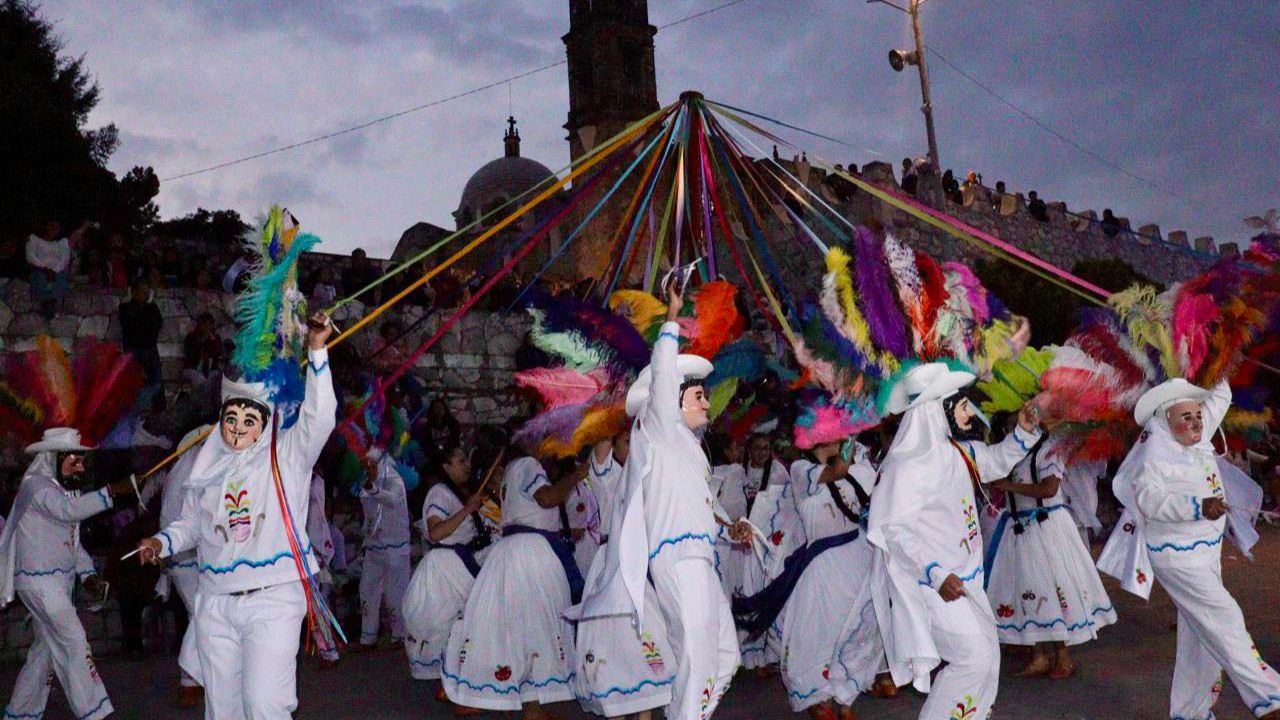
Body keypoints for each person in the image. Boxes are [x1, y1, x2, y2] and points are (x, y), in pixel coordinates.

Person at [135, 312, 336, 720]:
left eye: (249, 419)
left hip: (273, 599)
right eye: (231, 418)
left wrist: (316, 350)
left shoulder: (287, 455)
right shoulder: (207, 464)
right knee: (223, 711)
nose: (239, 426)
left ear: (264, 420)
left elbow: (319, 419)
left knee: (265, 705)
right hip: (216, 602)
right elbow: (193, 522)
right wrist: (162, 542)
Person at [572, 285, 747, 720]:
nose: (707, 401)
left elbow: (699, 500)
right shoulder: (658, 429)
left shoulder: (686, 449)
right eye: (698, 395)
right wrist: (670, 318)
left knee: (725, 657)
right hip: (679, 559)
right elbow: (665, 379)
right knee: (696, 658)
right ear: (670, 402)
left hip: (701, 559)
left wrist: (729, 525)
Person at [867, 362, 1043, 719]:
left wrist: (1023, 433)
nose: (969, 412)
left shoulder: (959, 452)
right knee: (972, 658)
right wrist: (935, 574)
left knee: (987, 659)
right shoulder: (909, 465)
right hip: (932, 585)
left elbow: (995, 462)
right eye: (962, 405)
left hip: (965, 579)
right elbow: (893, 531)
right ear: (938, 411)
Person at [1113, 379, 1280, 720]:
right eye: (1185, 417)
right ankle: (1270, 699)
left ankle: (1191, 712)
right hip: (1177, 558)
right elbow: (1149, 499)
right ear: (1165, 420)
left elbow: (1221, 395)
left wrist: (1210, 358)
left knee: (1198, 635)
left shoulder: (1199, 435)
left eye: (1197, 415)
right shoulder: (1155, 454)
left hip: (1206, 553)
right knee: (1225, 619)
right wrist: (1197, 506)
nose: (1195, 422)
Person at [736, 425, 890, 720]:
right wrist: (851, 435)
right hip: (823, 565)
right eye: (833, 432)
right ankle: (818, 695)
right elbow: (836, 471)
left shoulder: (855, 467)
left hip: (859, 557)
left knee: (862, 627)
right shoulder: (800, 468)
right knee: (821, 633)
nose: (838, 438)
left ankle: (846, 694)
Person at [0, 427, 139, 720]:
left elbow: (72, 542)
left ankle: (20, 713)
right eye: (74, 458)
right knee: (75, 640)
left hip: (55, 584)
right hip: (40, 585)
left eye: (81, 459)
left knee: (45, 652)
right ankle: (95, 713)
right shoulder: (35, 486)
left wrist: (87, 575)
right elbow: (67, 511)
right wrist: (112, 491)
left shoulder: (60, 489)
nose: (80, 465)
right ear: (52, 457)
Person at [442, 453, 584, 719]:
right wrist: (576, 476)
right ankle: (528, 706)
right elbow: (546, 498)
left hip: (513, 552)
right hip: (530, 554)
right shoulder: (529, 465)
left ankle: (527, 705)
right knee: (537, 625)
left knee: (520, 628)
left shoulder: (513, 470)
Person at [985, 431, 1116, 679]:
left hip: (1047, 530)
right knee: (1027, 589)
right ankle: (1039, 657)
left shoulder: (1050, 450)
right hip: (1020, 529)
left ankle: (1063, 658)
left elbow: (1049, 488)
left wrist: (1008, 486)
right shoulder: (1015, 453)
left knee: (1055, 590)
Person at [573, 432, 676, 720]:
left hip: (637, 565)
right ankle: (616, 711)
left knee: (645, 637)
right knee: (610, 642)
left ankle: (644, 713)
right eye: (628, 441)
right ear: (615, 445)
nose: (634, 447)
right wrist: (614, 407)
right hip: (610, 565)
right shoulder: (609, 475)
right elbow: (602, 446)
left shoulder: (649, 478)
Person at [403, 443, 489, 688]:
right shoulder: (439, 493)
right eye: (461, 461)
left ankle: (458, 679)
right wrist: (467, 510)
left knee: (461, 622)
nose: (467, 465)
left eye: (466, 460)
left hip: (458, 564)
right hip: (443, 570)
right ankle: (454, 681)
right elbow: (436, 531)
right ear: (446, 466)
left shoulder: (456, 493)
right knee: (447, 623)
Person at [357, 448, 412, 649]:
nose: (368, 469)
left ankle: (399, 636)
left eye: (371, 466)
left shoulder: (394, 478)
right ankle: (368, 637)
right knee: (367, 589)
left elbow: (393, 499)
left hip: (395, 547)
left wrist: (374, 490)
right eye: (365, 466)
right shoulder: (366, 481)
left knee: (395, 593)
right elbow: (368, 513)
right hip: (373, 545)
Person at [26, 219, 90, 318]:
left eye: (57, 227)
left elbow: (64, 262)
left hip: (57, 277)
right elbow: (30, 257)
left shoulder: (62, 244)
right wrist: (46, 270)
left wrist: (54, 272)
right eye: (52, 226)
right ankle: (45, 304)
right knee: (38, 276)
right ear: (46, 226)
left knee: (62, 278)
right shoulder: (34, 240)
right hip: (40, 274)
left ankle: (52, 304)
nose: (54, 229)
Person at [119, 278, 164, 392]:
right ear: (134, 292)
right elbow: (131, 327)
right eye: (143, 291)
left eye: (147, 291)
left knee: (156, 382)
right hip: (133, 349)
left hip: (150, 348)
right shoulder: (125, 308)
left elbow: (156, 326)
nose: (146, 294)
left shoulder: (153, 309)